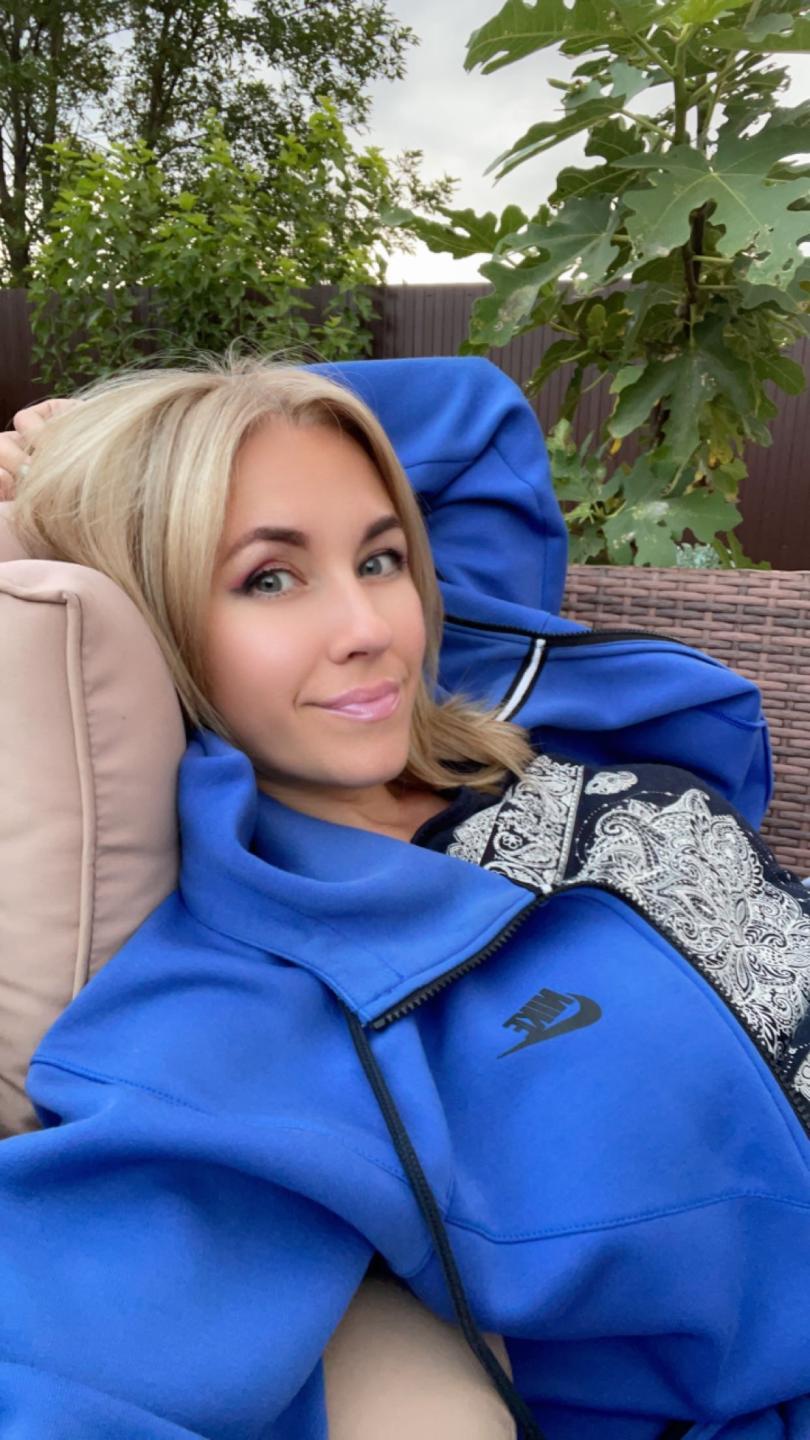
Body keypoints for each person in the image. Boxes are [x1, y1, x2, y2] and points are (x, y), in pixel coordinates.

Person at [0, 353, 808, 1440]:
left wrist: (150, 417)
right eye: (268, 579)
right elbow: (66, 1364)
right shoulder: (246, 1000)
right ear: (154, 612)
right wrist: (114, 470)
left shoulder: (478, 697)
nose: (371, 628)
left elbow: (474, 418)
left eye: (380, 558)